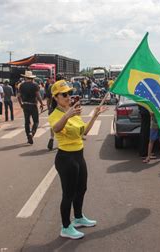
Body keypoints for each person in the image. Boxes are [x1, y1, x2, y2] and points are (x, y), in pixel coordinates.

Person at [48, 80, 108, 240]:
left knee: (82, 189)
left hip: (78, 155)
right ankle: (66, 227)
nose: (68, 97)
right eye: (64, 94)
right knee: (68, 194)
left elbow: (84, 132)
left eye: (70, 93)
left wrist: (95, 115)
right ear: (56, 97)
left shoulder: (72, 111)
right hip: (65, 158)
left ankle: (79, 218)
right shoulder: (55, 115)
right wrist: (67, 115)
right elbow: (56, 129)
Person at [17, 71, 44, 144]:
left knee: (27, 121)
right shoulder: (35, 85)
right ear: (32, 78)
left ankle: (28, 135)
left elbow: (18, 96)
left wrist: (21, 104)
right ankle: (32, 133)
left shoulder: (21, 85)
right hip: (33, 105)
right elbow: (38, 96)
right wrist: (41, 104)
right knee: (36, 121)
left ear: (25, 77)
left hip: (25, 105)